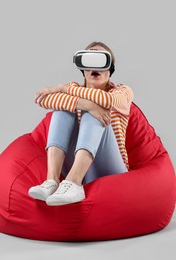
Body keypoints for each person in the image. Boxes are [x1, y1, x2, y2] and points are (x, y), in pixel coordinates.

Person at [28, 42, 134, 206]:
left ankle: (74, 182)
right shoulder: (72, 88)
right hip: (79, 164)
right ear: (82, 68)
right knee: (62, 109)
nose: (94, 66)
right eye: (89, 60)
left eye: (100, 60)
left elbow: (107, 99)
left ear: (110, 68)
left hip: (111, 168)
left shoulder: (122, 91)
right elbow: (45, 99)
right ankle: (52, 181)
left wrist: (63, 89)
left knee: (95, 113)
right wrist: (87, 105)